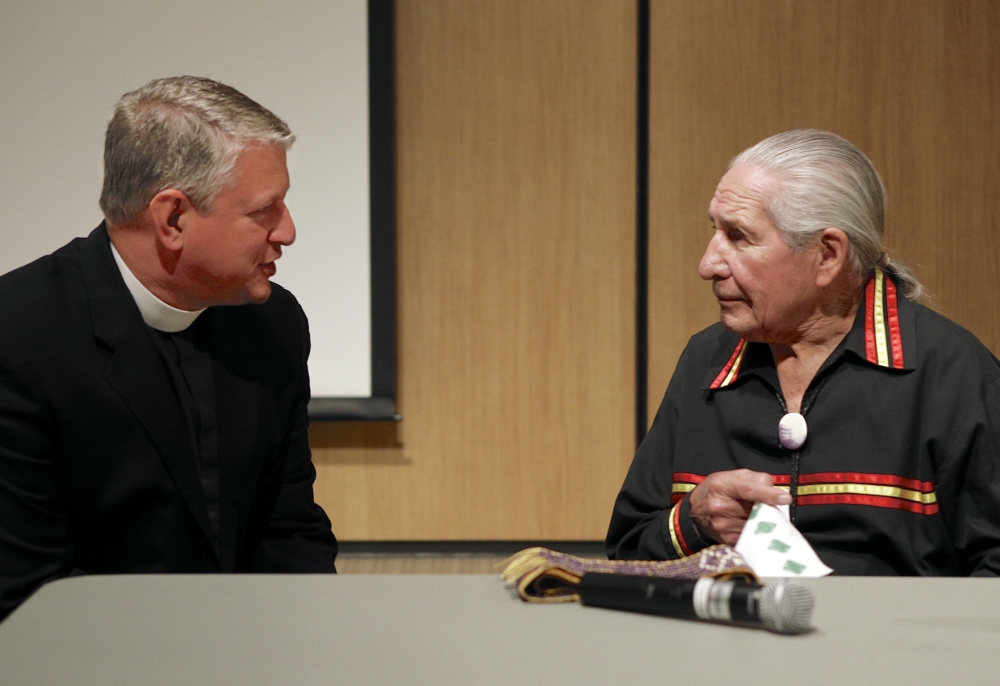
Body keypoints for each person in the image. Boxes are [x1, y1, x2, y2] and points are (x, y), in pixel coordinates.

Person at [0, 76, 338, 621]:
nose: (289, 231)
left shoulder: (272, 323)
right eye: (264, 211)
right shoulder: (17, 336)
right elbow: (26, 590)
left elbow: (289, 525)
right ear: (173, 218)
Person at [607, 129, 1000, 575]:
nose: (707, 265)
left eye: (738, 236)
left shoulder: (951, 371)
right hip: (730, 640)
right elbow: (629, 548)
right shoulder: (706, 358)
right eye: (715, 231)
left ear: (827, 255)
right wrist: (695, 518)